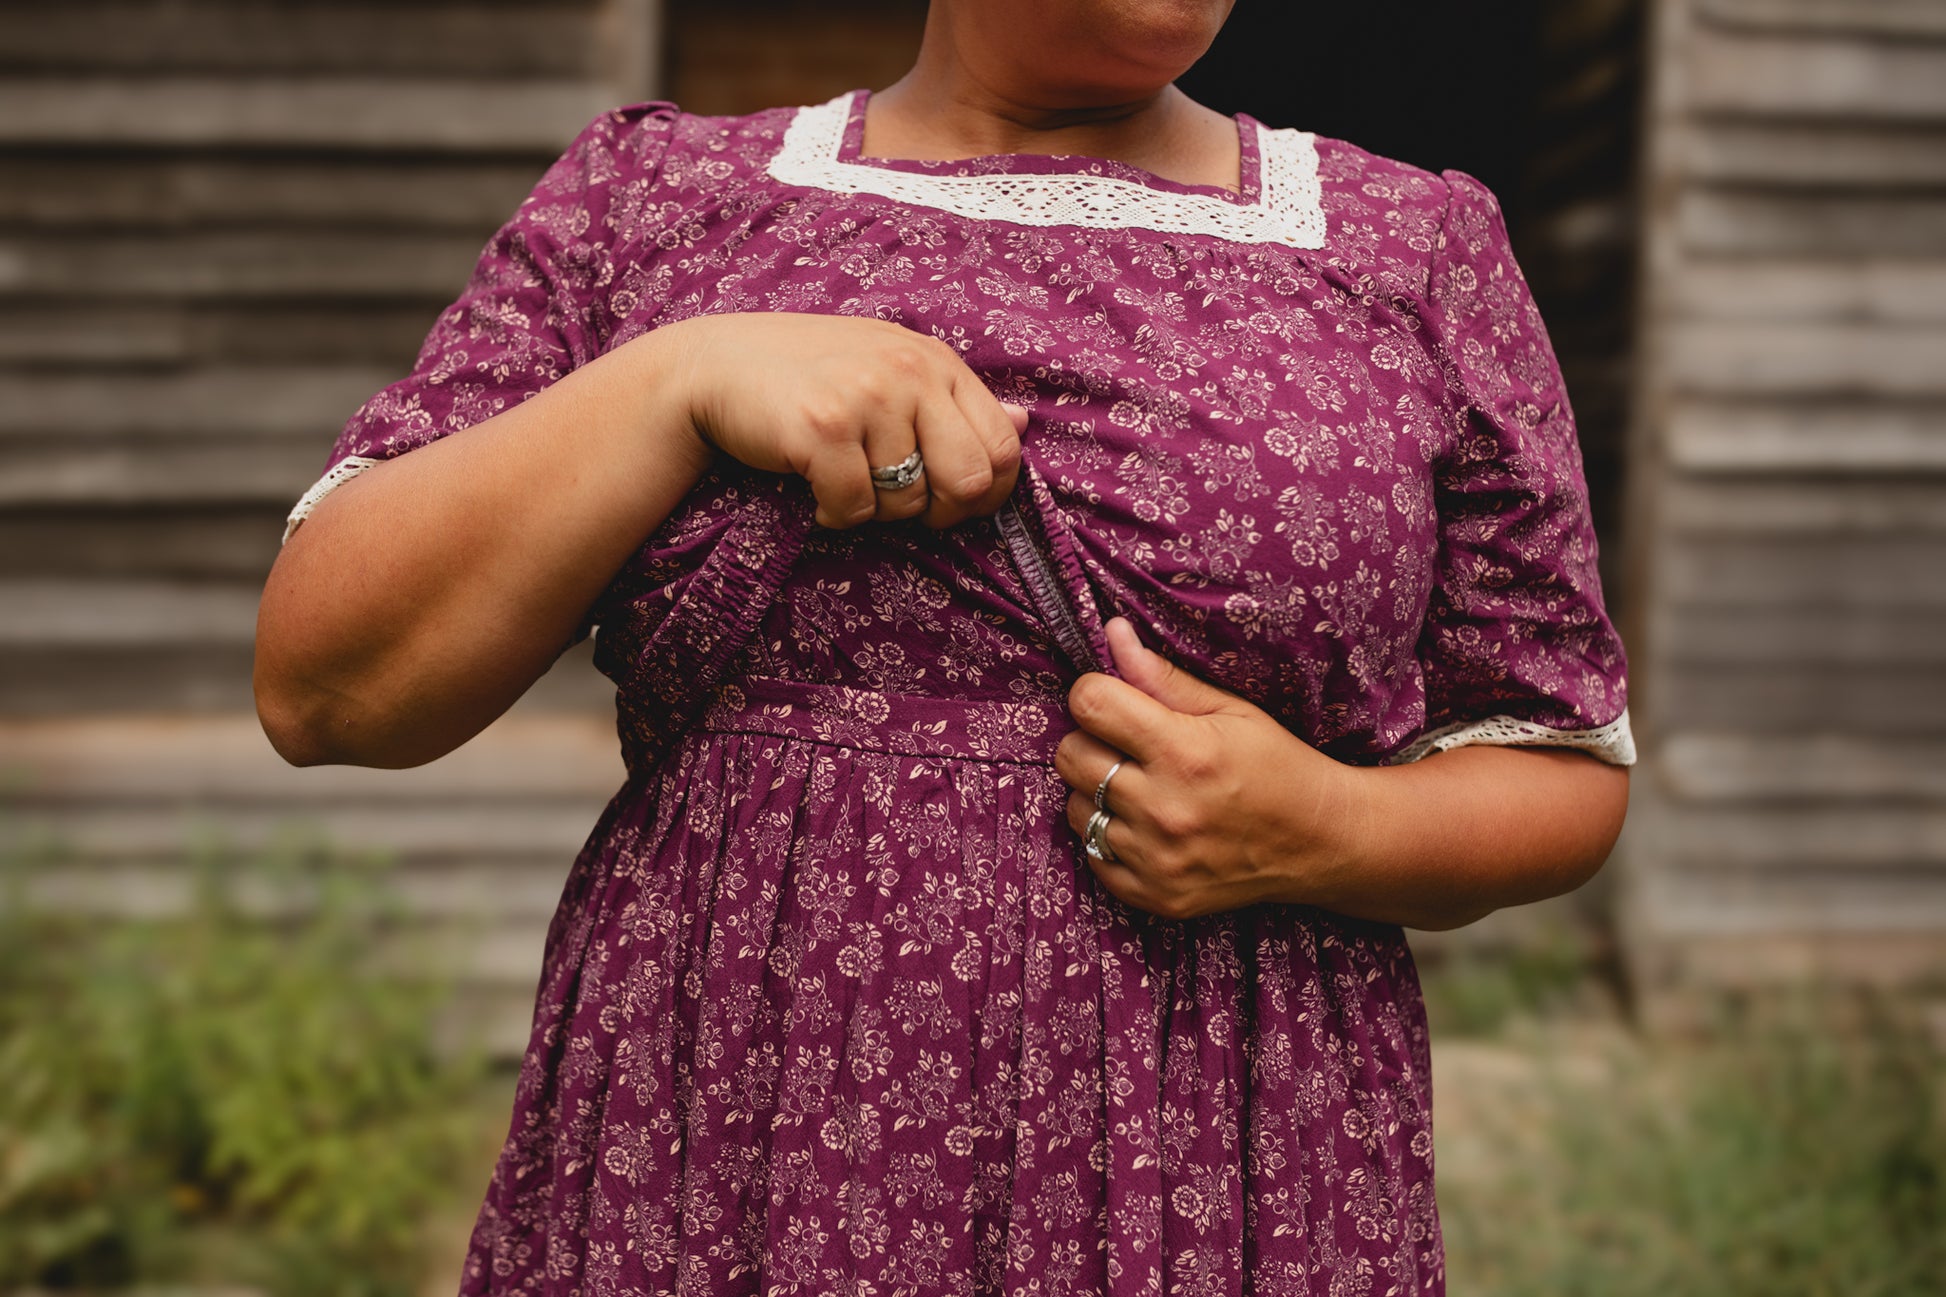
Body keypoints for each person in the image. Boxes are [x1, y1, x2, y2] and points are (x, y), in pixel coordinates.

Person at [254, 1, 1632, 1292]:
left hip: (1218, 1128)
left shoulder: (1408, 244)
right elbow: (325, 686)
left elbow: (1558, 755)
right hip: (735, 1105)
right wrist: (676, 380)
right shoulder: (660, 201)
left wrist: (1325, 825)